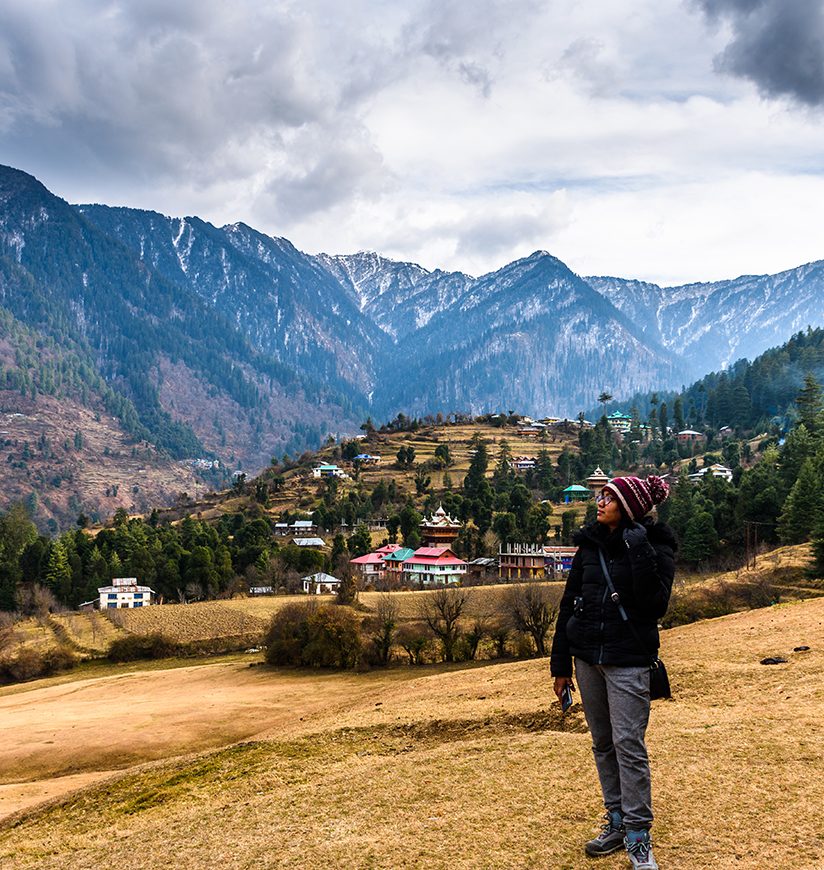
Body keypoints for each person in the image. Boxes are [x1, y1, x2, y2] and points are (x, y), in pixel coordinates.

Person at [550, 475, 676, 870]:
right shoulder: (589, 544)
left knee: (629, 745)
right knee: (603, 743)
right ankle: (617, 820)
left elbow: (655, 604)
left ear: (629, 506)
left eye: (609, 497)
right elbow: (570, 602)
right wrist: (560, 664)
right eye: (601, 495)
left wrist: (636, 545)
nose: (599, 502)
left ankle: (639, 835)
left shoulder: (656, 544)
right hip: (587, 658)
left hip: (629, 661)